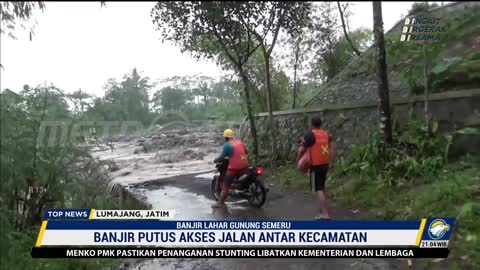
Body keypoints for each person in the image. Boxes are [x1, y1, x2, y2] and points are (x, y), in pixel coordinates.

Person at [298, 117, 336, 220]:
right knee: (322, 187)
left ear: (312, 124)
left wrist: (298, 160)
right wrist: (331, 162)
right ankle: (323, 208)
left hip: (315, 165)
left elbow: (301, 149)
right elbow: (333, 148)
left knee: (317, 188)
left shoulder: (310, 134)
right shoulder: (326, 134)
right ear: (320, 124)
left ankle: (325, 214)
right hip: (325, 164)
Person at [212, 128, 249, 208]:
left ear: (225, 138)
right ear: (232, 136)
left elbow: (222, 157)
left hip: (234, 168)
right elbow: (246, 152)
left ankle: (220, 203)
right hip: (245, 165)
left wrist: (216, 160)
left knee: (225, 186)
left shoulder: (227, 145)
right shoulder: (239, 142)